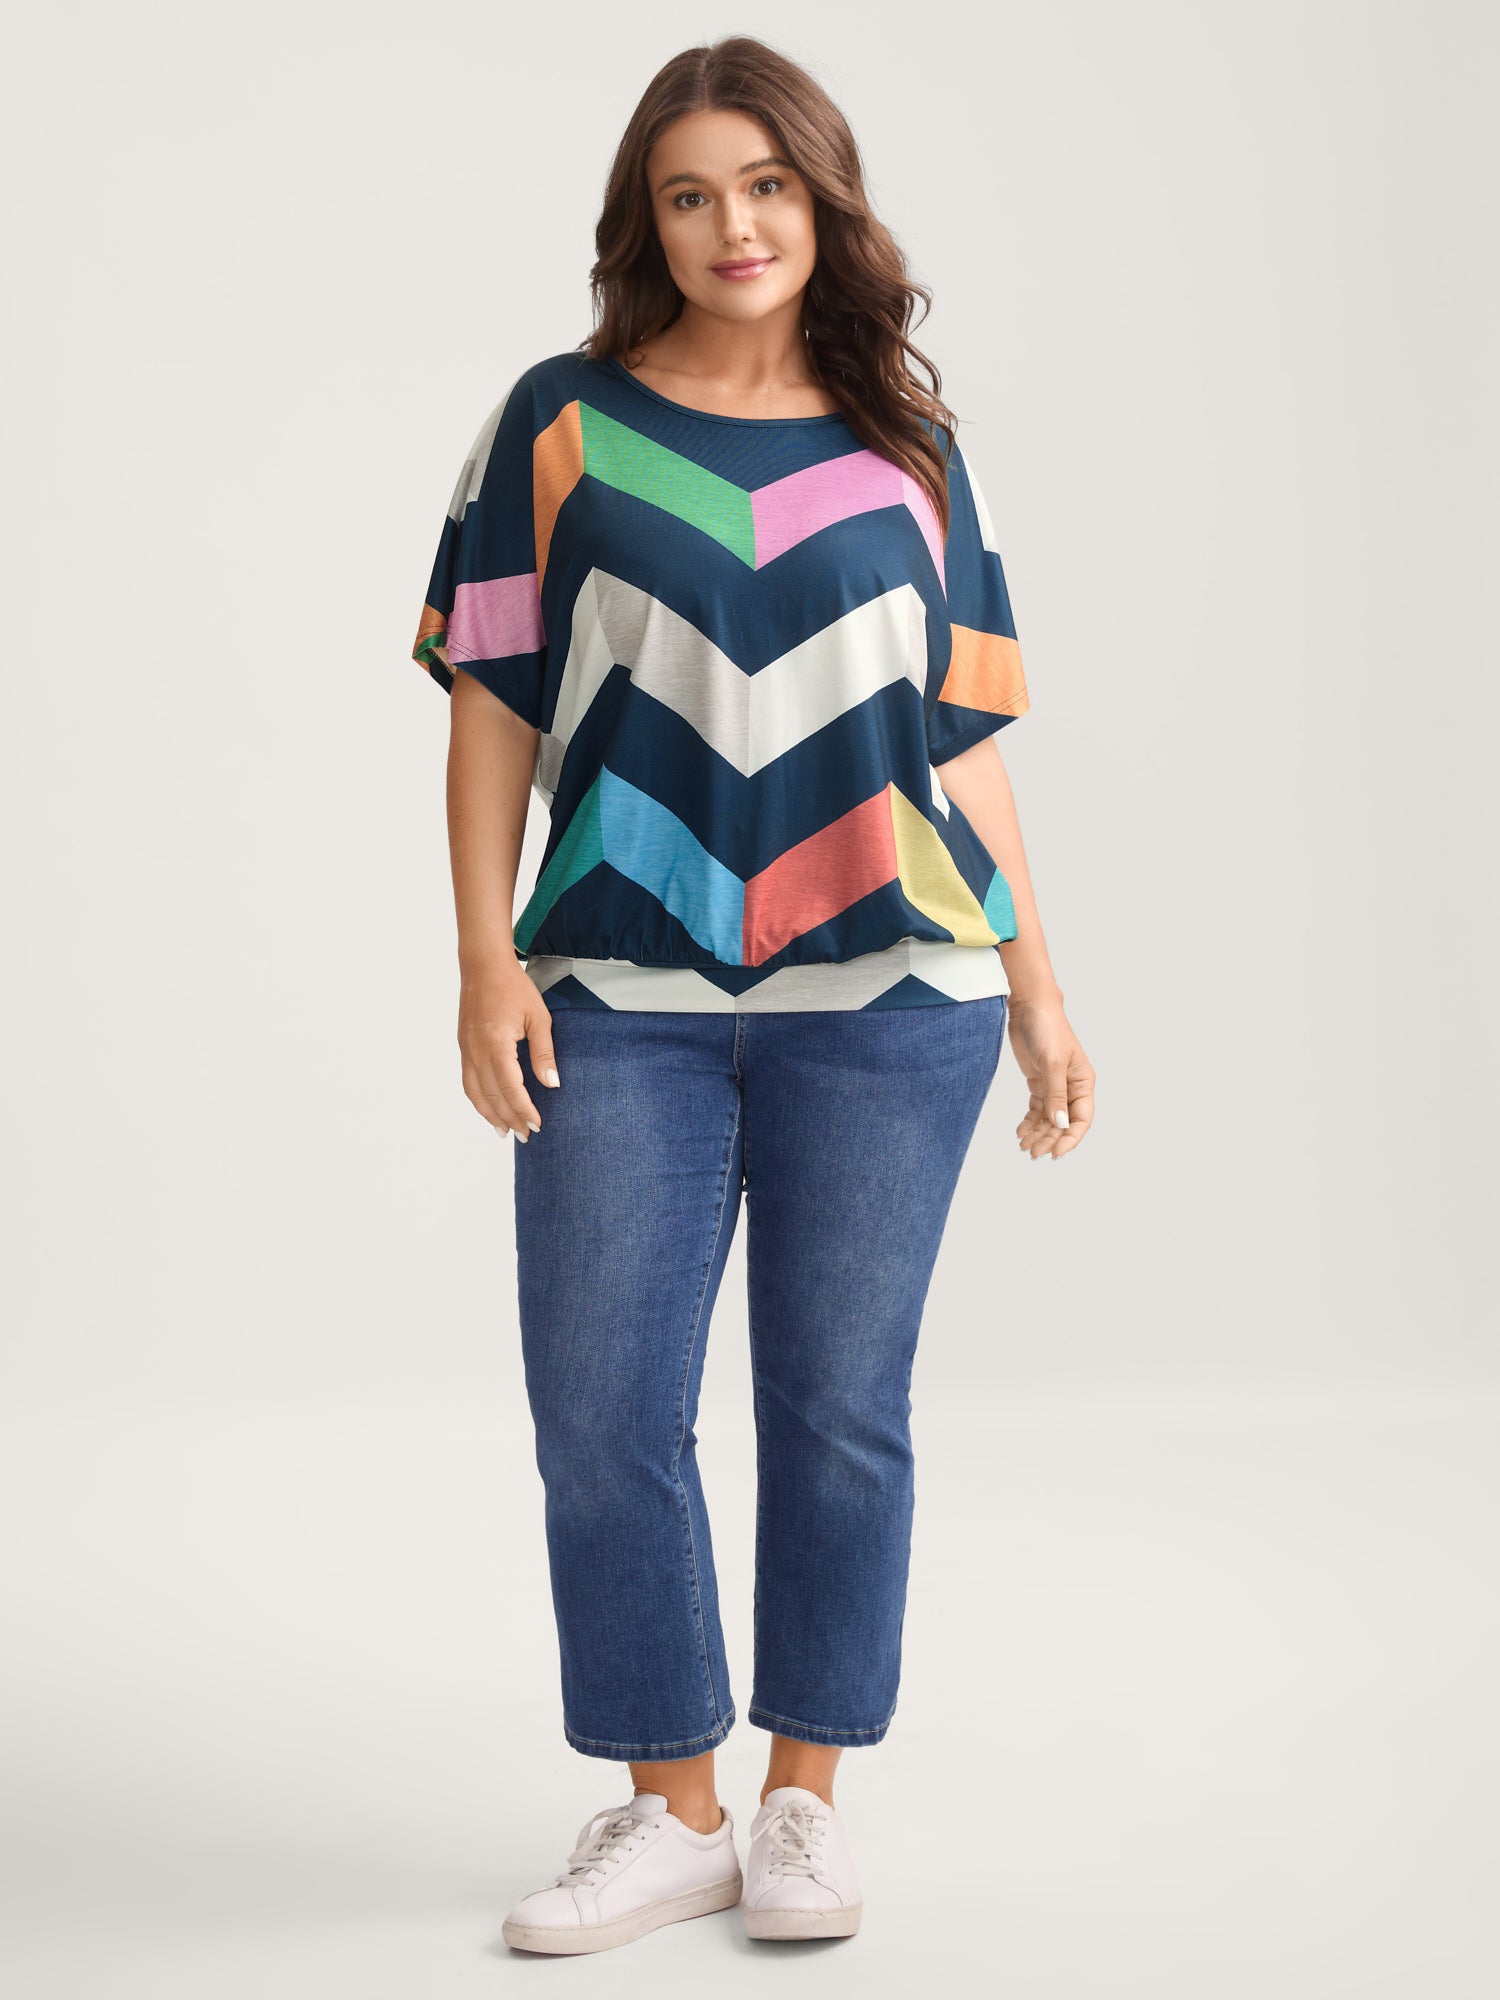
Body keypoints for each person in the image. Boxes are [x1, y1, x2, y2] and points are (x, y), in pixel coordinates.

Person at [407, 35, 1095, 1958]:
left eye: (769, 185)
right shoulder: (556, 426)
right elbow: (491, 710)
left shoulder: (911, 444)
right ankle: (671, 1812)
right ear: (647, 217)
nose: (735, 225)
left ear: (824, 199)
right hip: (613, 990)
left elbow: (965, 741)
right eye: (693, 192)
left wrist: (1041, 992)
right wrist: (483, 961)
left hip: (894, 995)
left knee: (840, 1406)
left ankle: (803, 1805)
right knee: (602, 1409)